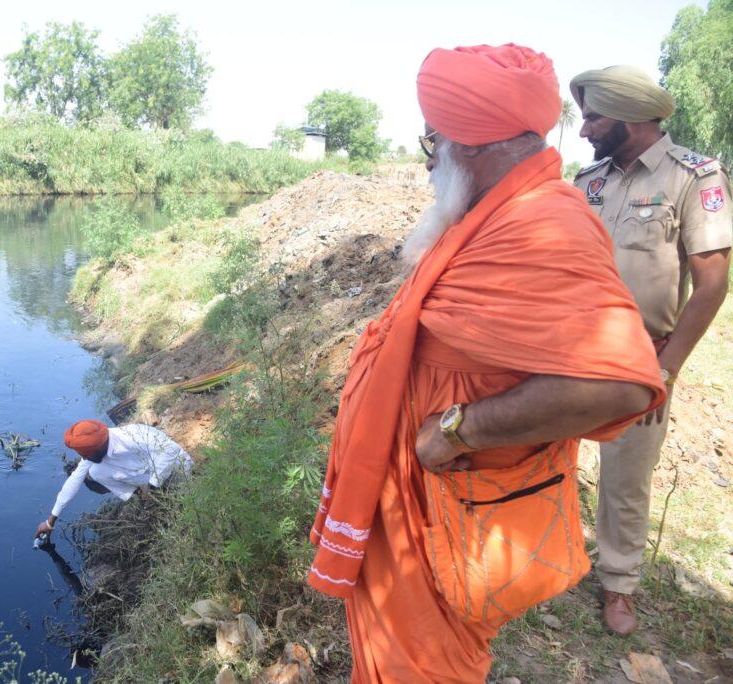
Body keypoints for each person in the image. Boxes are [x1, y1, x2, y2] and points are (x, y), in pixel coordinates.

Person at [307, 43, 667, 683]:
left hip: (451, 511)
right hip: (419, 509)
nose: (430, 161)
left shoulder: (544, 224)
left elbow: (619, 384)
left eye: (433, 142)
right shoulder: (492, 211)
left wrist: (457, 429)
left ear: (470, 145)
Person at [570, 65, 732, 635]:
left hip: (641, 355)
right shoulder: (587, 181)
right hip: (571, 348)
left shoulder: (695, 177)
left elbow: (712, 283)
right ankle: (551, 555)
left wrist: (666, 368)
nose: (584, 128)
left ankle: (619, 582)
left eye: (594, 117)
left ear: (631, 117)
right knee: (547, 453)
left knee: (626, 473)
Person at [34, 420, 192, 539]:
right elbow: (73, 481)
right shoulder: (95, 448)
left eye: (86, 456)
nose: (83, 459)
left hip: (176, 470)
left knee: (185, 509)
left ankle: (154, 495)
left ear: (99, 448)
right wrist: (50, 522)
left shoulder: (132, 437)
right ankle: (141, 495)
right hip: (146, 474)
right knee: (95, 471)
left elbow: (172, 450)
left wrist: (153, 486)